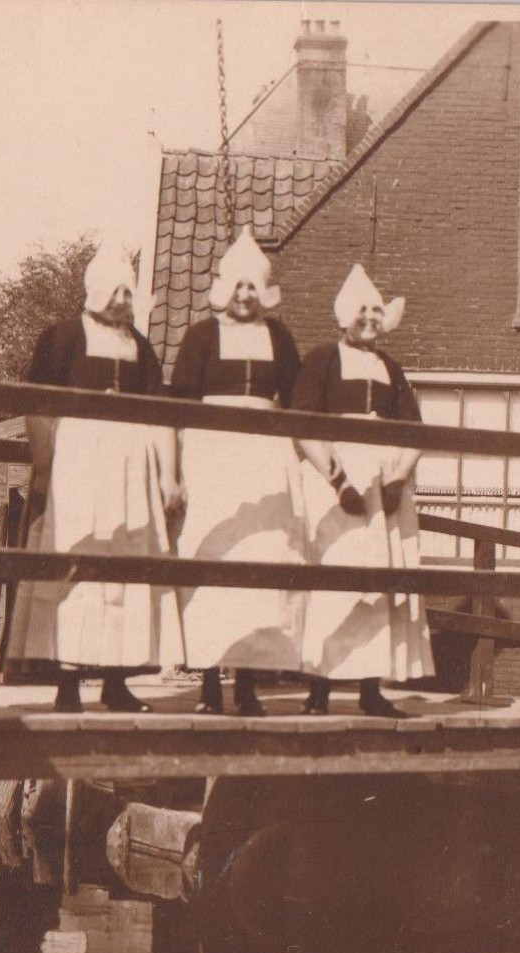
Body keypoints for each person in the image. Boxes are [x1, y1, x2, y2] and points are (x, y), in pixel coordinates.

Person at [8, 243, 184, 713]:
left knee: (124, 566)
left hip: (131, 468)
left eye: (130, 292)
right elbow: (39, 404)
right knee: (77, 559)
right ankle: (67, 683)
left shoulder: (140, 347)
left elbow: (161, 413)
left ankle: (116, 681)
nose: (124, 300)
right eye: (116, 290)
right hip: (79, 462)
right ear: (97, 289)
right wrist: (45, 464)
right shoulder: (62, 337)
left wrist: (168, 475)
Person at [170, 230, 307, 716]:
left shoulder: (279, 337)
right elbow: (181, 407)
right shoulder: (201, 336)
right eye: (238, 287)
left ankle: (248, 682)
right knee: (213, 553)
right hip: (212, 457)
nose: (245, 296)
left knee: (260, 560)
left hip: (264, 460)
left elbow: (297, 401)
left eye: (253, 287)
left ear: (263, 291)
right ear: (225, 289)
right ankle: (208, 681)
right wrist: (178, 471)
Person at [292, 264, 435, 718]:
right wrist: (337, 480)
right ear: (343, 317)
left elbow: (414, 429)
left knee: (377, 582)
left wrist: (395, 481)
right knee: (332, 581)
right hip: (335, 487)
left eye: (377, 312)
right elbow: (305, 426)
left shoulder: (391, 368)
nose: (370, 320)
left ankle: (371, 689)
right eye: (362, 312)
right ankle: (318, 692)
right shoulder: (321, 360)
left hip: (381, 487)